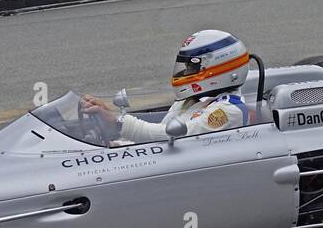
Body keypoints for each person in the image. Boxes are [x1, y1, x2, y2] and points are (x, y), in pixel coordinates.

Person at [82, 30, 252, 143]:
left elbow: (169, 137)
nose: (186, 72)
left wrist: (118, 122)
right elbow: (156, 138)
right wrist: (116, 143)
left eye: (193, 68)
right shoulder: (193, 100)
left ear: (219, 68)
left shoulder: (229, 111)